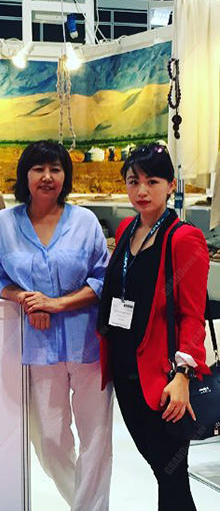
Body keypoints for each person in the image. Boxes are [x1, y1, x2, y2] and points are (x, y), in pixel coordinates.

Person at [0, 141, 112, 511]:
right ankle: (85, 503)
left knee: (96, 438)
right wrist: (29, 299)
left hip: (88, 344)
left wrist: (56, 303)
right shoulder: (4, 224)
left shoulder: (85, 222)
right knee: (50, 441)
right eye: (38, 169)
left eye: (55, 169)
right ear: (24, 175)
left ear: (65, 176)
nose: (47, 177)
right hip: (39, 346)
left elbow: (102, 279)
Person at [97, 144, 209, 511]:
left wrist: (183, 375)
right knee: (162, 470)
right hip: (126, 368)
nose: (142, 190)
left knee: (171, 472)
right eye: (133, 181)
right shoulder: (128, 228)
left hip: (163, 376)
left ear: (171, 185)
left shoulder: (183, 238)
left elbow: (192, 315)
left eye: (152, 181)